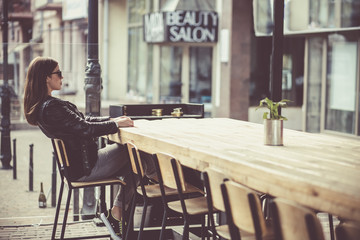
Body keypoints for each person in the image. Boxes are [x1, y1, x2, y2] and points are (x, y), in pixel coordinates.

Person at [23, 56, 140, 240]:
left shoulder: (45, 107)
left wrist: (113, 121)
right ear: (46, 77)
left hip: (80, 166)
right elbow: (85, 128)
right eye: (59, 73)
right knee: (138, 155)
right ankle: (140, 203)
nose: (62, 77)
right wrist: (116, 126)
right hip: (86, 169)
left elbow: (83, 122)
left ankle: (119, 212)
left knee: (136, 164)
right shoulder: (51, 108)